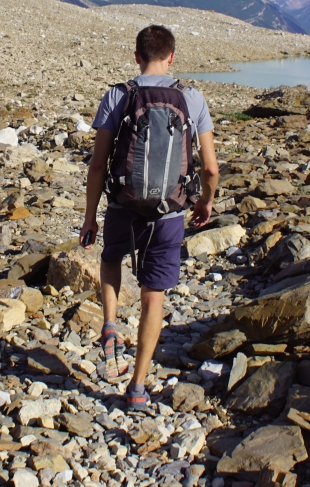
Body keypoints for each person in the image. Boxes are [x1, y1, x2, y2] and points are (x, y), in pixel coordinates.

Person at [79, 24, 219, 411]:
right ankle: (138, 387)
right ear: (172, 57)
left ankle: (110, 322)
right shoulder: (192, 98)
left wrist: (90, 216)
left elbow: (97, 164)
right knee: (152, 295)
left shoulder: (118, 95)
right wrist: (205, 202)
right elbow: (210, 168)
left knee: (110, 258)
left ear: (136, 56)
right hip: (170, 212)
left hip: (124, 202)